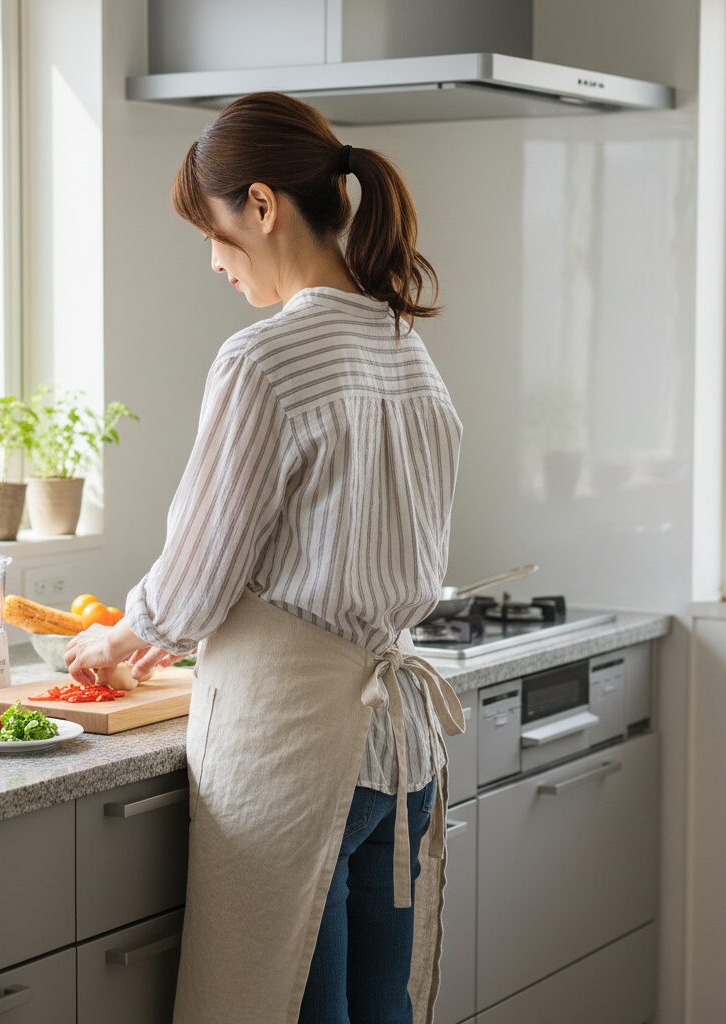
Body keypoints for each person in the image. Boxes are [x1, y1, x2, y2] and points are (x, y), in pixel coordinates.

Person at [64, 90, 465, 1024]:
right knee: (381, 1011)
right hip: (395, 751)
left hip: (292, 743)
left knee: (274, 1008)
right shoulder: (403, 344)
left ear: (261, 205)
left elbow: (200, 570)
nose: (213, 262)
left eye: (212, 232)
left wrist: (124, 636)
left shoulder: (264, 359)